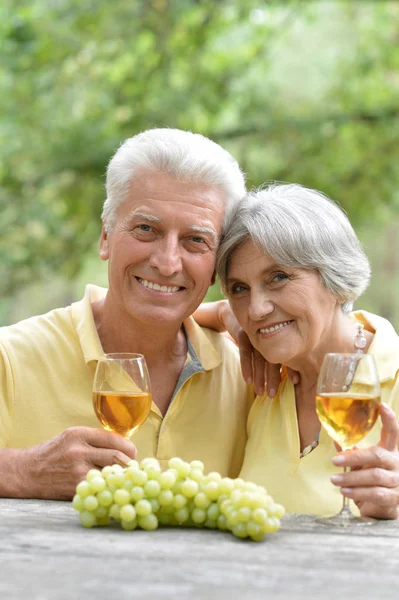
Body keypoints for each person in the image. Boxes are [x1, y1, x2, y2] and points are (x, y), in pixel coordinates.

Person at [0, 128, 256, 500]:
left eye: (195, 240)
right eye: (146, 229)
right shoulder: (11, 357)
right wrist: (20, 471)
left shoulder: (250, 377)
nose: (168, 263)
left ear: (217, 264)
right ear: (106, 236)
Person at [197, 182, 399, 519]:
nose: (257, 309)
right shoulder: (261, 379)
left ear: (334, 275)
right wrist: (224, 314)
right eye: (239, 289)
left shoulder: (391, 374)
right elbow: (149, 308)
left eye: (278, 277)